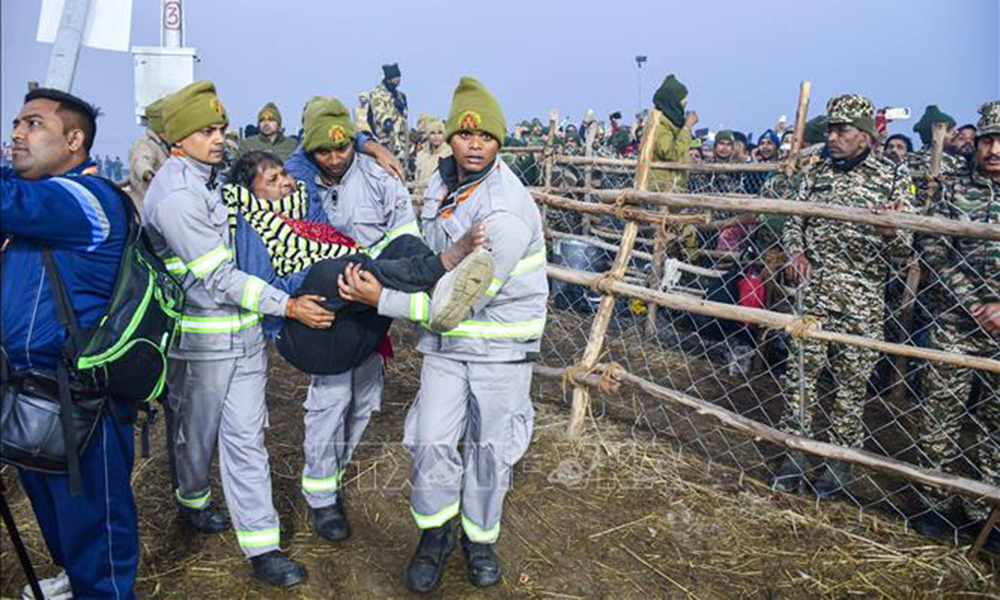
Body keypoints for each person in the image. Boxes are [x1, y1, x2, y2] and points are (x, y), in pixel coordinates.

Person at [341, 76, 547, 594]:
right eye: (465, 135)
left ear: (500, 144)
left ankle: (479, 539)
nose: (475, 145)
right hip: (447, 351)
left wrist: (378, 299)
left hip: (498, 352)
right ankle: (435, 534)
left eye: (487, 138)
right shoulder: (439, 183)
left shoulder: (505, 210)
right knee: (431, 440)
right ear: (450, 138)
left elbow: (451, 303)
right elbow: (430, 256)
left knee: (488, 450)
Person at [143, 80, 332, 587]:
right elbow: (221, 278)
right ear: (180, 138)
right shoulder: (178, 196)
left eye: (223, 129)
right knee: (193, 435)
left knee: (247, 440)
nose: (220, 138)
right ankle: (192, 501)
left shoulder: (211, 182)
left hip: (243, 337)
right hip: (201, 342)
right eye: (207, 130)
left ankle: (262, 545)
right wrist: (288, 306)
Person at [3, 88, 137, 598]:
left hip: (80, 400)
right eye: (16, 123)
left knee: (95, 522)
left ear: (75, 141)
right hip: (30, 390)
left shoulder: (85, 199)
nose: (17, 133)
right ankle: (76, 581)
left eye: (33, 124)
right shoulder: (43, 199)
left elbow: (10, 199)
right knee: (52, 506)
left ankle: (102, 591)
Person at [773, 94, 915, 498]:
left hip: (863, 299)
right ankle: (794, 455)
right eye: (830, 129)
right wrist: (796, 250)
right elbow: (794, 218)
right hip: (814, 295)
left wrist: (893, 231)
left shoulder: (892, 177)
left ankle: (837, 465)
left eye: (843, 130)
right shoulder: (815, 171)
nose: (833, 137)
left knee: (851, 388)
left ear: (865, 135)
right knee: (799, 377)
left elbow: (906, 247)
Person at [910, 101, 999, 551]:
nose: (994, 150)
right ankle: (935, 500)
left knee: (996, 421)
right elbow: (933, 244)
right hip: (954, 323)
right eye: (987, 140)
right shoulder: (952, 189)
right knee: (941, 412)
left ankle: (988, 510)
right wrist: (980, 305)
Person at [128, 96, 172, 209]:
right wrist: (148, 174)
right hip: (145, 209)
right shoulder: (146, 144)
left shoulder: (167, 146)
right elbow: (140, 160)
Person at [368, 63, 409, 161]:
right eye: (396, 78)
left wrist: (402, 108)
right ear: (388, 79)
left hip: (401, 140)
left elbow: (405, 115)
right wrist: (386, 121)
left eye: (399, 77)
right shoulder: (377, 94)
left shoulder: (400, 95)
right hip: (385, 138)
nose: (398, 80)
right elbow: (378, 111)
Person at [414, 119, 452, 187]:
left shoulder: (449, 155)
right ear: (428, 135)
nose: (436, 136)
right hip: (419, 194)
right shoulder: (422, 156)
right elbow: (417, 177)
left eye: (440, 133)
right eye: (432, 133)